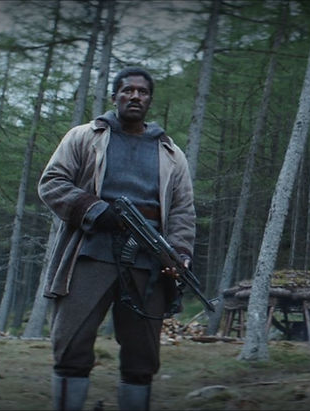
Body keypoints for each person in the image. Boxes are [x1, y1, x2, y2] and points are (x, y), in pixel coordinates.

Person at [38, 67, 196, 411]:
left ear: (150, 100)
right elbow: (52, 182)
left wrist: (180, 253)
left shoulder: (171, 154)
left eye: (142, 92)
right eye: (127, 90)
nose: (135, 96)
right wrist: (94, 209)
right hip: (89, 256)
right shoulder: (84, 136)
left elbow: (183, 210)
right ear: (115, 97)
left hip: (147, 265)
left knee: (142, 357)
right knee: (71, 346)